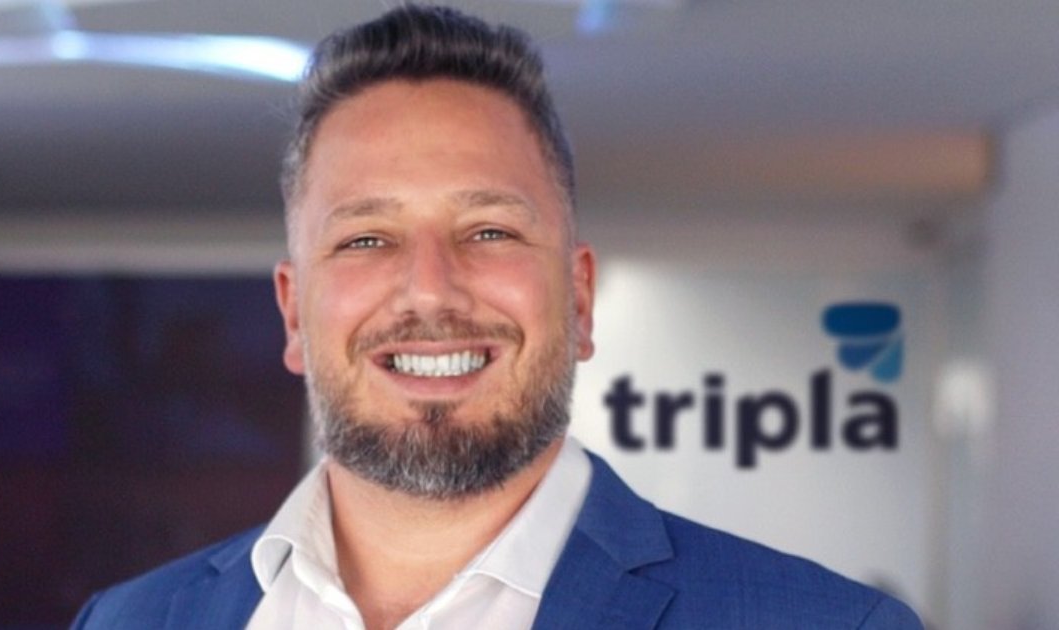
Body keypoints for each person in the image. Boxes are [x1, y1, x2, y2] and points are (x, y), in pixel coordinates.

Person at [71, 5, 923, 629]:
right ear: (293, 313)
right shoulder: (127, 621)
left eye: (489, 231)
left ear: (578, 298)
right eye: (367, 239)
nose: (430, 290)